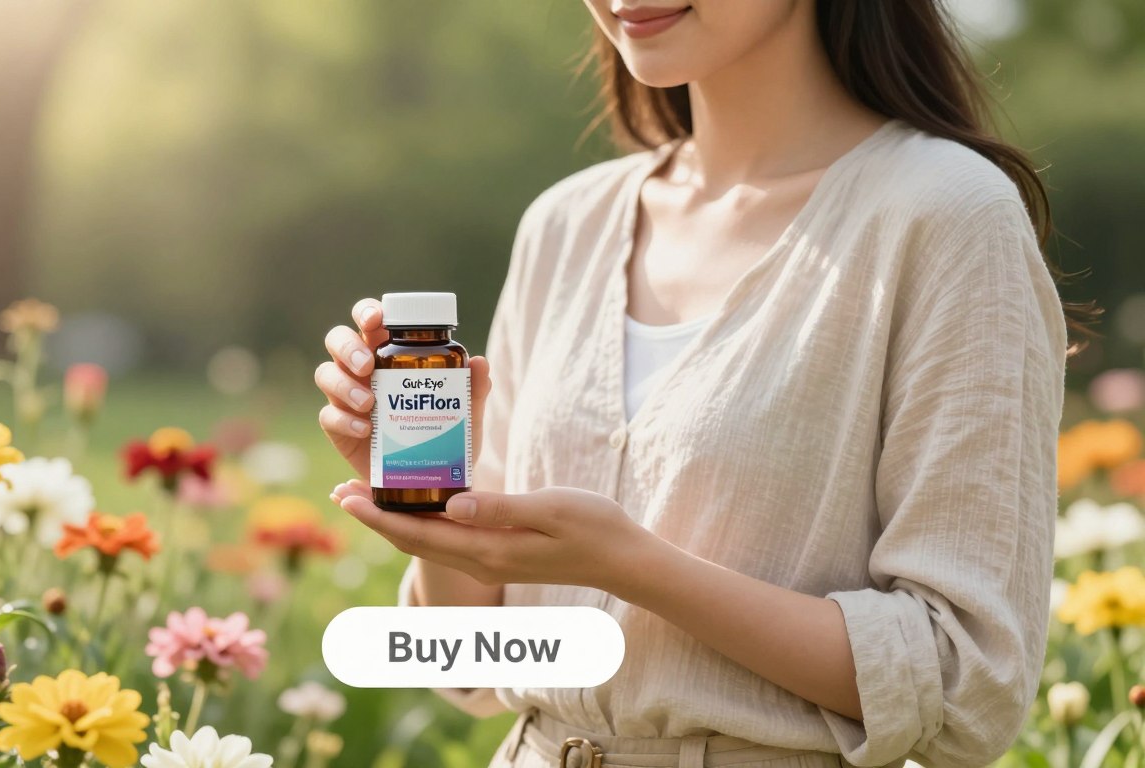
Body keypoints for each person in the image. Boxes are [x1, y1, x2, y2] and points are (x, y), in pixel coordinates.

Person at [316, 2, 1094, 766]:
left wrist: (632, 568)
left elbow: (964, 682)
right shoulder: (566, 224)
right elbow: (472, 660)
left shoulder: (949, 216)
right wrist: (423, 497)